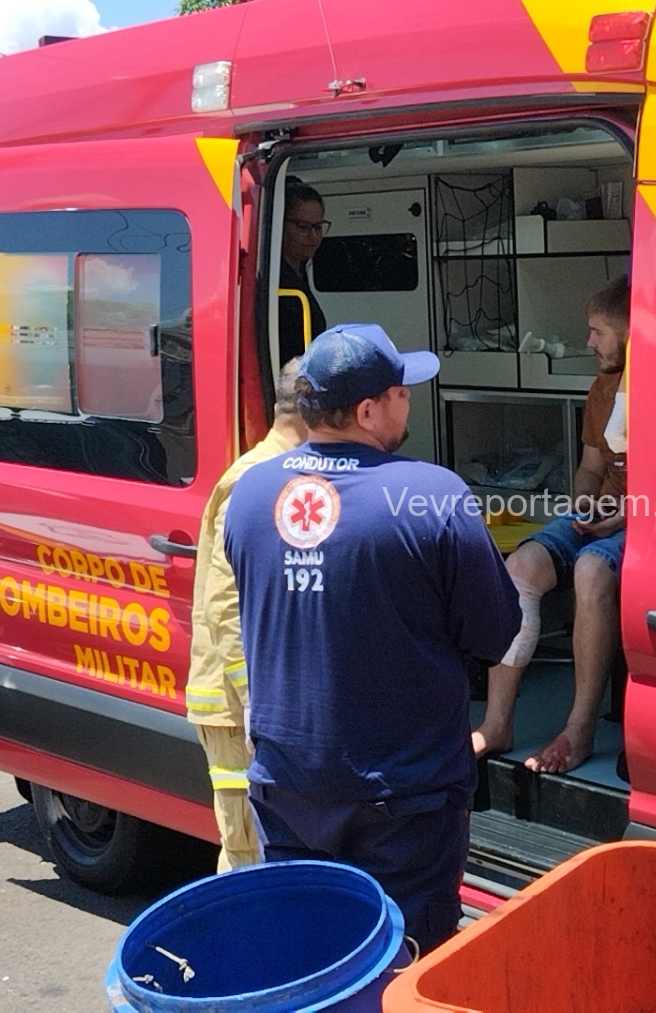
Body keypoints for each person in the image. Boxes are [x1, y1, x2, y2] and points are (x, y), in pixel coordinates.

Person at [224, 324, 518, 948]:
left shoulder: (250, 493)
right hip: (403, 798)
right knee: (403, 960)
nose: (409, 401)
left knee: (310, 954)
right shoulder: (435, 496)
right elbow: (494, 632)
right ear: (366, 411)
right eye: (401, 392)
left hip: (286, 784)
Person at [471, 276, 629, 774]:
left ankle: (578, 729)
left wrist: (624, 515)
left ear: (632, 333)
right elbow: (590, 467)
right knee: (520, 567)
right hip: (600, 512)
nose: (589, 342)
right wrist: (583, 505)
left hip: (651, 516)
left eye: (598, 332)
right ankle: (497, 724)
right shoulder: (602, 389)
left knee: (591, 570)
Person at [185, 357, 307, 872]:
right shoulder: (255, 480)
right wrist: (259, 704)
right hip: (236, 714)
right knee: (248, 856)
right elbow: (226, 606)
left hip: (252, 708)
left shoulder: (283, 473)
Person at [274, 179, 328, 365]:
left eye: (318, 227)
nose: (313, 236)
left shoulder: (299, 272)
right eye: (303, 227)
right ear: (280, 224)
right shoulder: (273, 280)